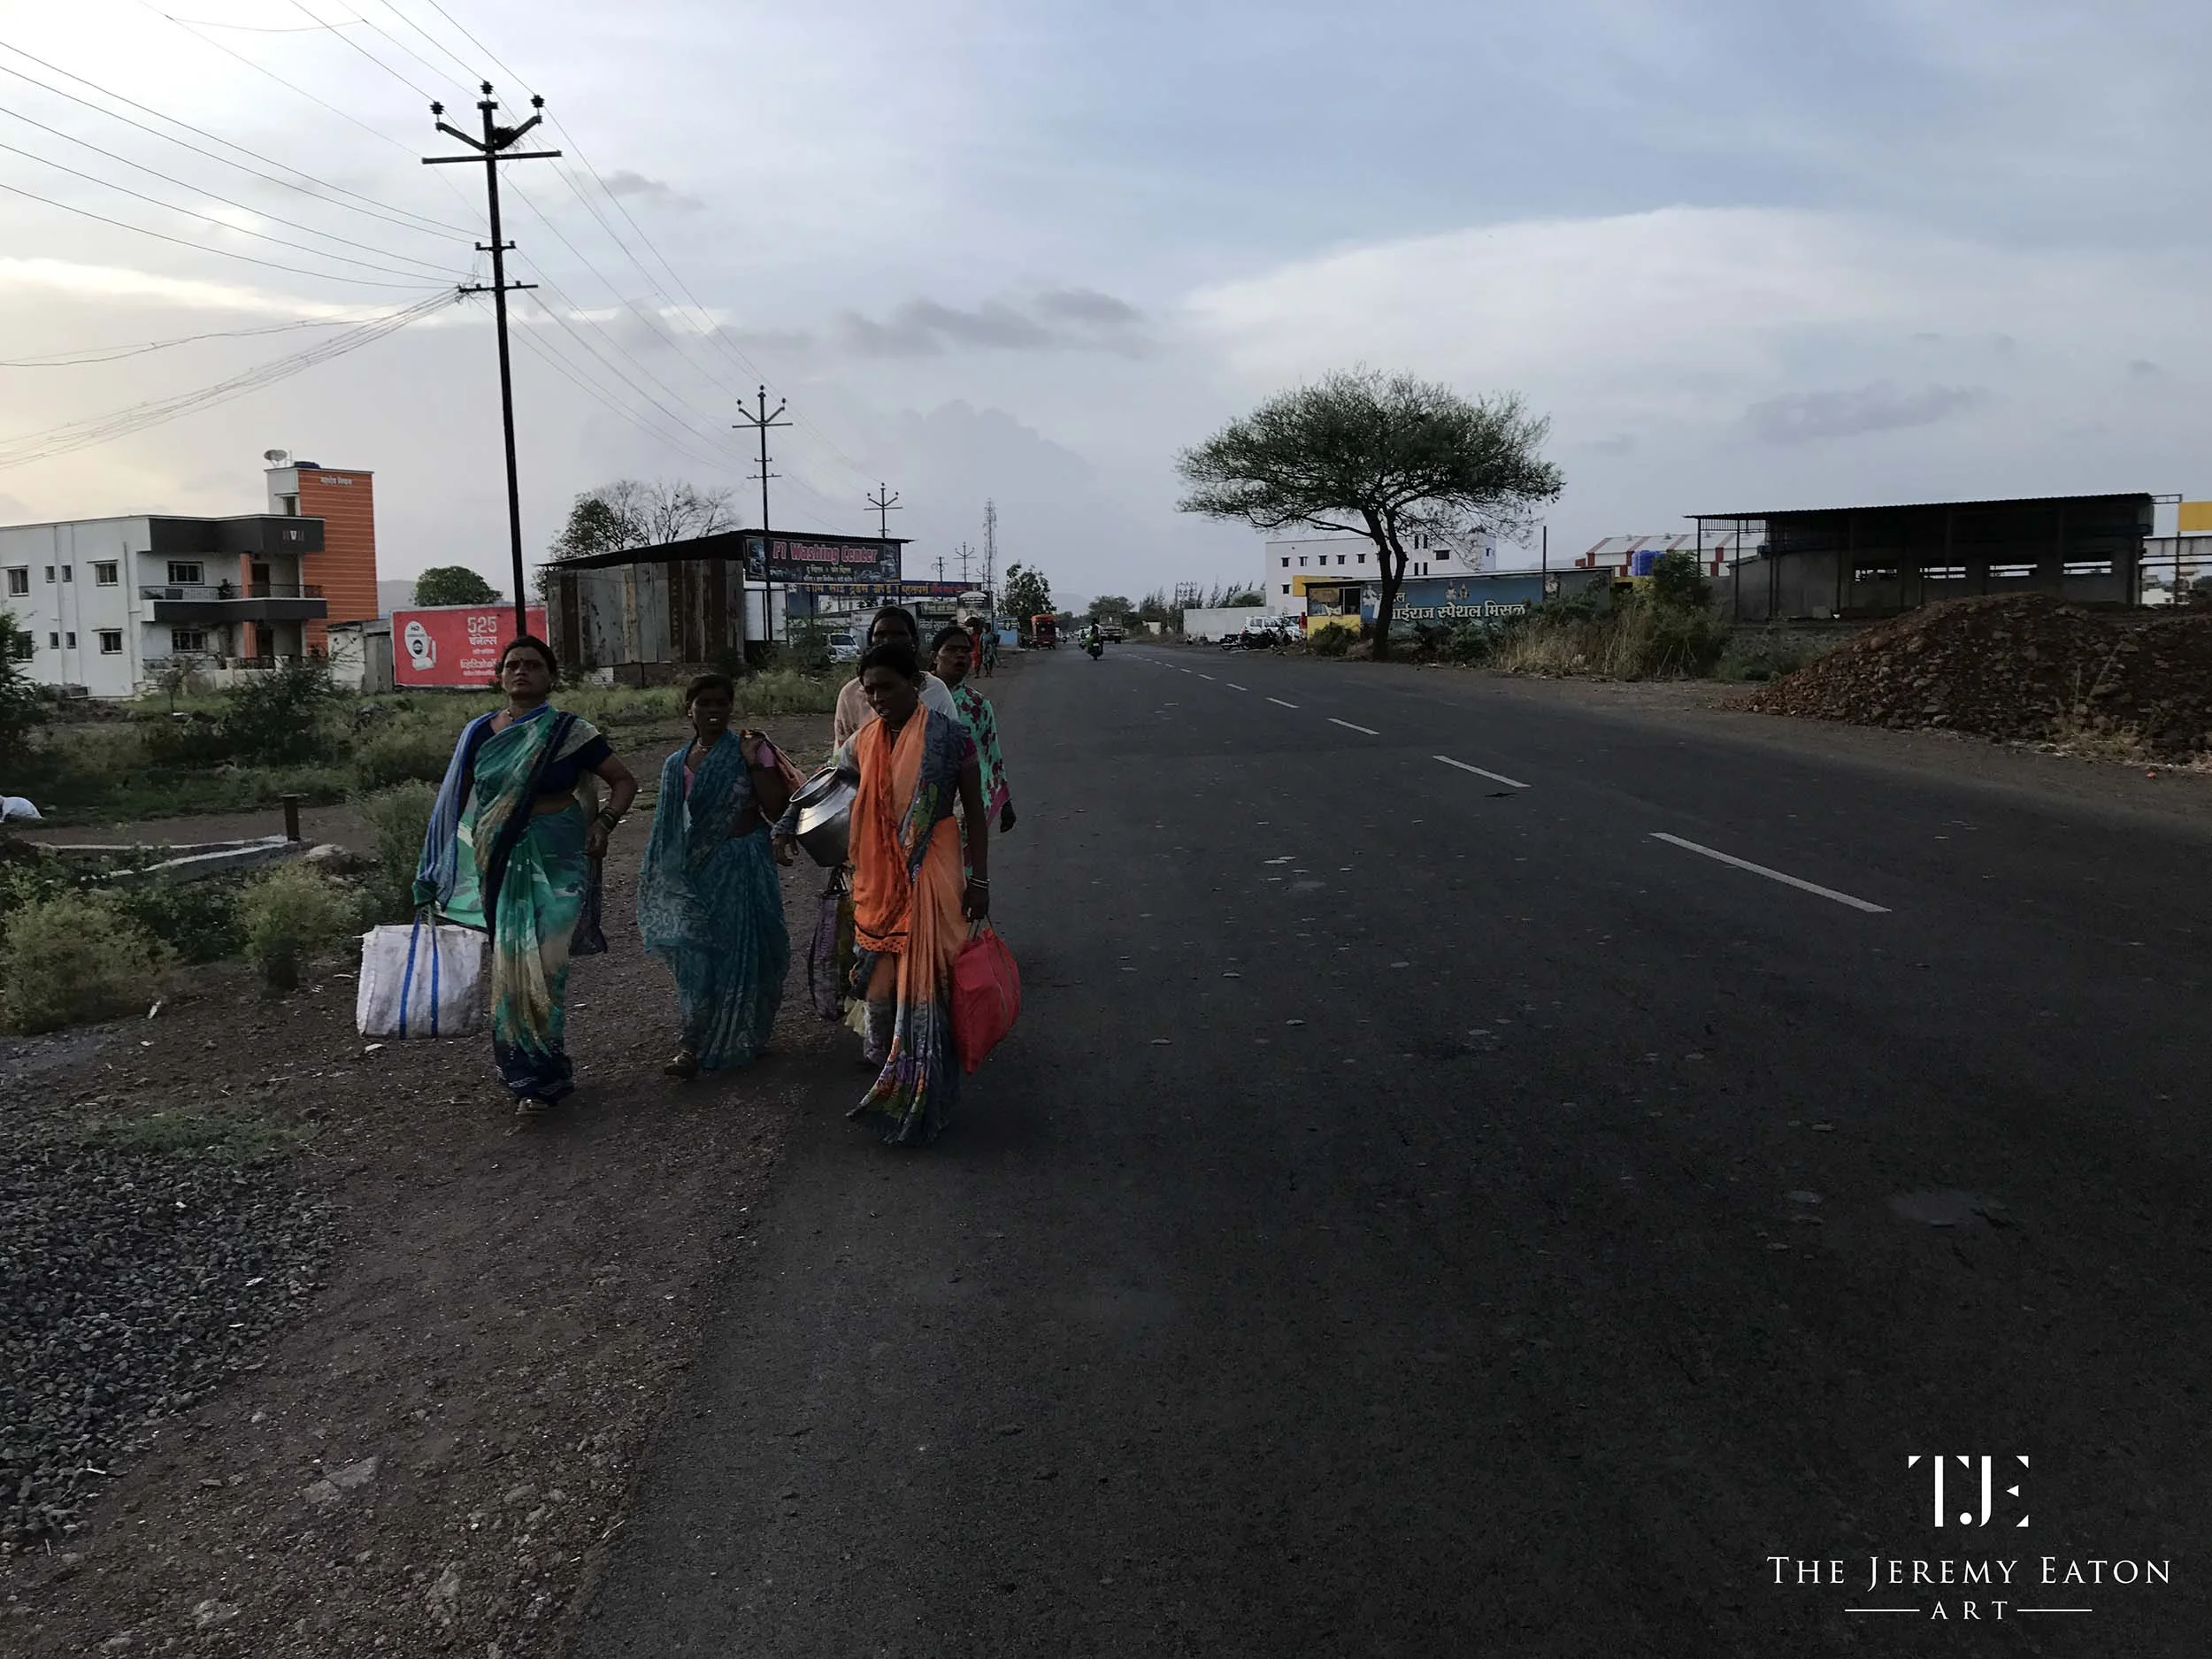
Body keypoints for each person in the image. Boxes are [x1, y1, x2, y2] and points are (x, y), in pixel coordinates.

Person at [775, 640, 990, 1147]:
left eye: (887, 688)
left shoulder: (951, 739)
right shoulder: (864, 741)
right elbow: (825, 784)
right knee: (883, 988)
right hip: (876, 881)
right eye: (869, 691)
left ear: (915, 683)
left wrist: (980, 880)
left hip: (934, 872)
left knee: (931, 987)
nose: (877, 699)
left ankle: (929, 1095)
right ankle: (893, 1083)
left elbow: (975, 815)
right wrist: (785, 825)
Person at [415, 635, 637, 1115]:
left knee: (549, 966)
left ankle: (545, 1067)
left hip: (560, 859)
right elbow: (453, 803)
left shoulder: (571, 732)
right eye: (512, 665)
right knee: (512, 967)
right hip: (498, 857)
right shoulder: (478, 733)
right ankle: (527, 1078)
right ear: (499, 676)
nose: (521, 672)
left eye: (533, 665)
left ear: (550, 677)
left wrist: (604, 823)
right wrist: (432, 870)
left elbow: (624, 780)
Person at [636, 673, 796, 1080]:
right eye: (704, 703)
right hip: (698, 872)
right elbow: (667, 828)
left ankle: (742, 1033)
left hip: (744, 864)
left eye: (721, 703)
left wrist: (751, 763)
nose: (713, 711)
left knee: (745, 951)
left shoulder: (751, 749)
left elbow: (778, 809)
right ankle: (691, 1041)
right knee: (697, 955)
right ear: (688, 709)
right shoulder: (676, 765)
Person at [830, 605, 960, 750]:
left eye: (898, 635)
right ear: (870, 640)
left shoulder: (934, 689)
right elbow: (841, 756)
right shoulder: (851, 694)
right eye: (881, 635)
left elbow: (953, 749)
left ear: (914, 642)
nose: (888, 641)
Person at [930, 626, 1017, 839]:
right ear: (934, 656)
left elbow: (991, 754)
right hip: (919, 801)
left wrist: (1004, 800)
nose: (960, 655)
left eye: (966, 650)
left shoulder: (977, 705)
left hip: (964, 803)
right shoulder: (916, 697)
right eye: (951, 649)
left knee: (961, 867)